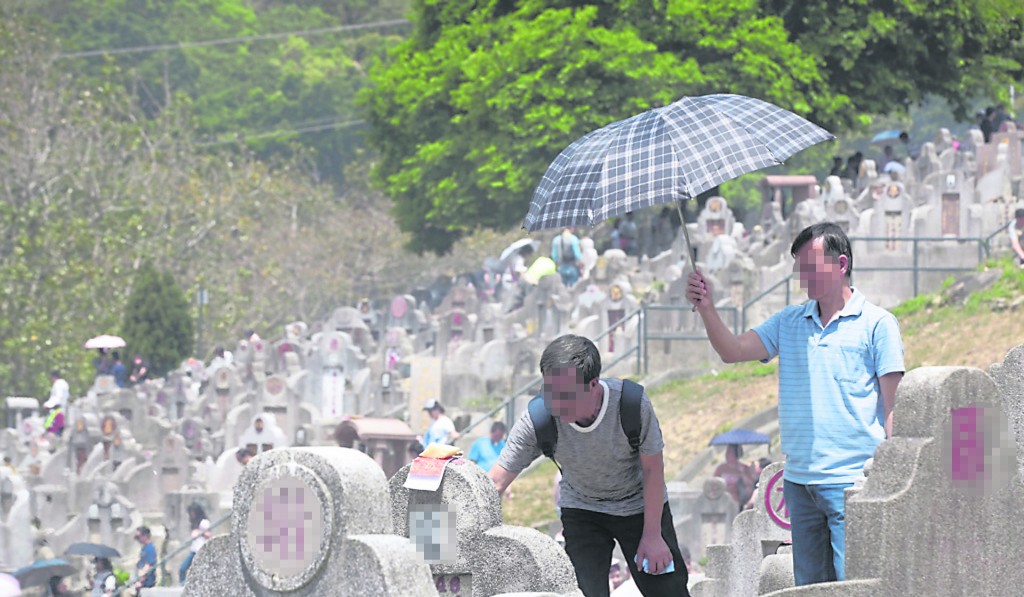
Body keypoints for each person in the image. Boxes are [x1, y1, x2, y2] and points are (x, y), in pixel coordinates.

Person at [686, 222, 905, 586]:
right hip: (800, 484)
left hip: (853, 482)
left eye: (811, 267)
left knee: (856, 587)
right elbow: (732, 351)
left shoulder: (878, 325)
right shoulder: (789, 322)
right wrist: (707, 308)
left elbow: (893, 404)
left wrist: (890, 475)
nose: (804, 278)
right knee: (810, 588)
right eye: (800, 269)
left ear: (841, 264)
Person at [490, 335, 689, 597]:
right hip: (582, 509)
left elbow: (653, 469)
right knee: (583, 592)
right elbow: (495, 482)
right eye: (549, 392)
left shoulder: (630, 405)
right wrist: (441, 539)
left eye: (565, 395)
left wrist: (653, 536)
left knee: (668, 590)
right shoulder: (538, 419)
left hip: (640, 508)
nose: (555, 404)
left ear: (593, 385)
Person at [179, 513, 211, 584]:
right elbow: (193, 535)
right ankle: (182, 584)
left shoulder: (204, 522)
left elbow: (208, 534)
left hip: (202, 551)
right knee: (182, 568)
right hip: (194, 551)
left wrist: (200, 533)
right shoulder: (193, 523)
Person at [134, 526, 158, 590]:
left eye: (138, 537)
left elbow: (148, 566)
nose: (137, 539)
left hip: (146, 583)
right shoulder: (144, 548)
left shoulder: (150, 549)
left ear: (145, 536)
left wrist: (140, 581)